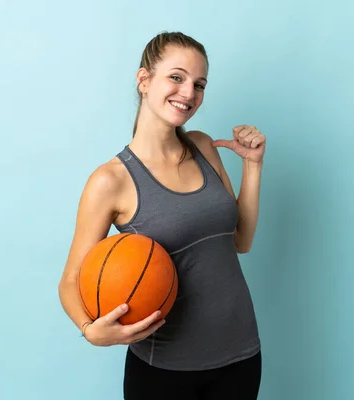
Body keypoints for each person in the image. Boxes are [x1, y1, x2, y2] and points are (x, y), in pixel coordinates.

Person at [58, 31, 266, 400]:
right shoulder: (111, 180)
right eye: (176, 77)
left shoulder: (203, 146)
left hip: (241, 354)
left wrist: (252, 165)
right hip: (165, 369)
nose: (188, 93)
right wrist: (90, 330)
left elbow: (241, 241)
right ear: (144, 80)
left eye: (199, 84)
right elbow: (71, 279)